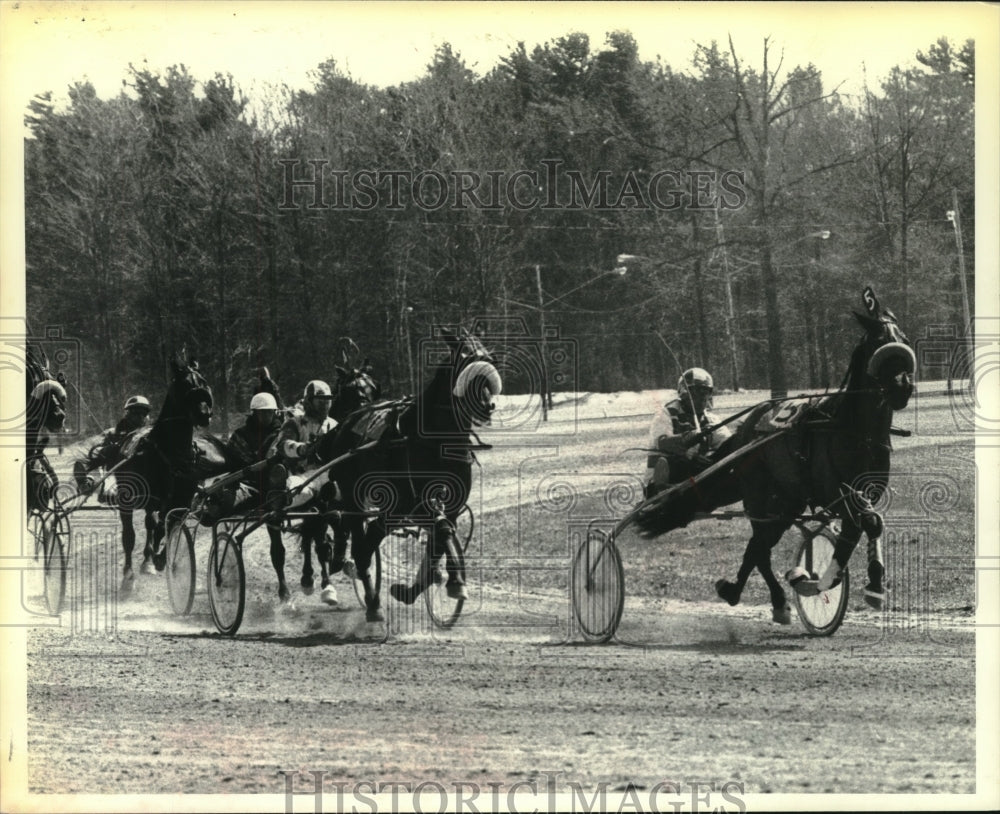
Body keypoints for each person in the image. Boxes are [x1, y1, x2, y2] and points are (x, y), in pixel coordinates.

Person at [644, 368, 732, 499]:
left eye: (706, 392)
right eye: (697, 392)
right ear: (684, 393)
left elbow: (727, 443)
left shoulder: (711, 420)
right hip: (663, 481)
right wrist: (689, 445)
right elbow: (663, 442)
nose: (702, 397)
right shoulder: (666, 414)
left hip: (696, 480)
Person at [74, 395, 151, 500]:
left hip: (145, 475)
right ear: (128, 414)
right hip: (117, 473)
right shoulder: (113, 433)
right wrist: (111, 449)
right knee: (109, 489)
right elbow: (96, 453)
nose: (140, 417)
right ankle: (87, 484)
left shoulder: (150, 434)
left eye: (144, 413)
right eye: (136, 413)